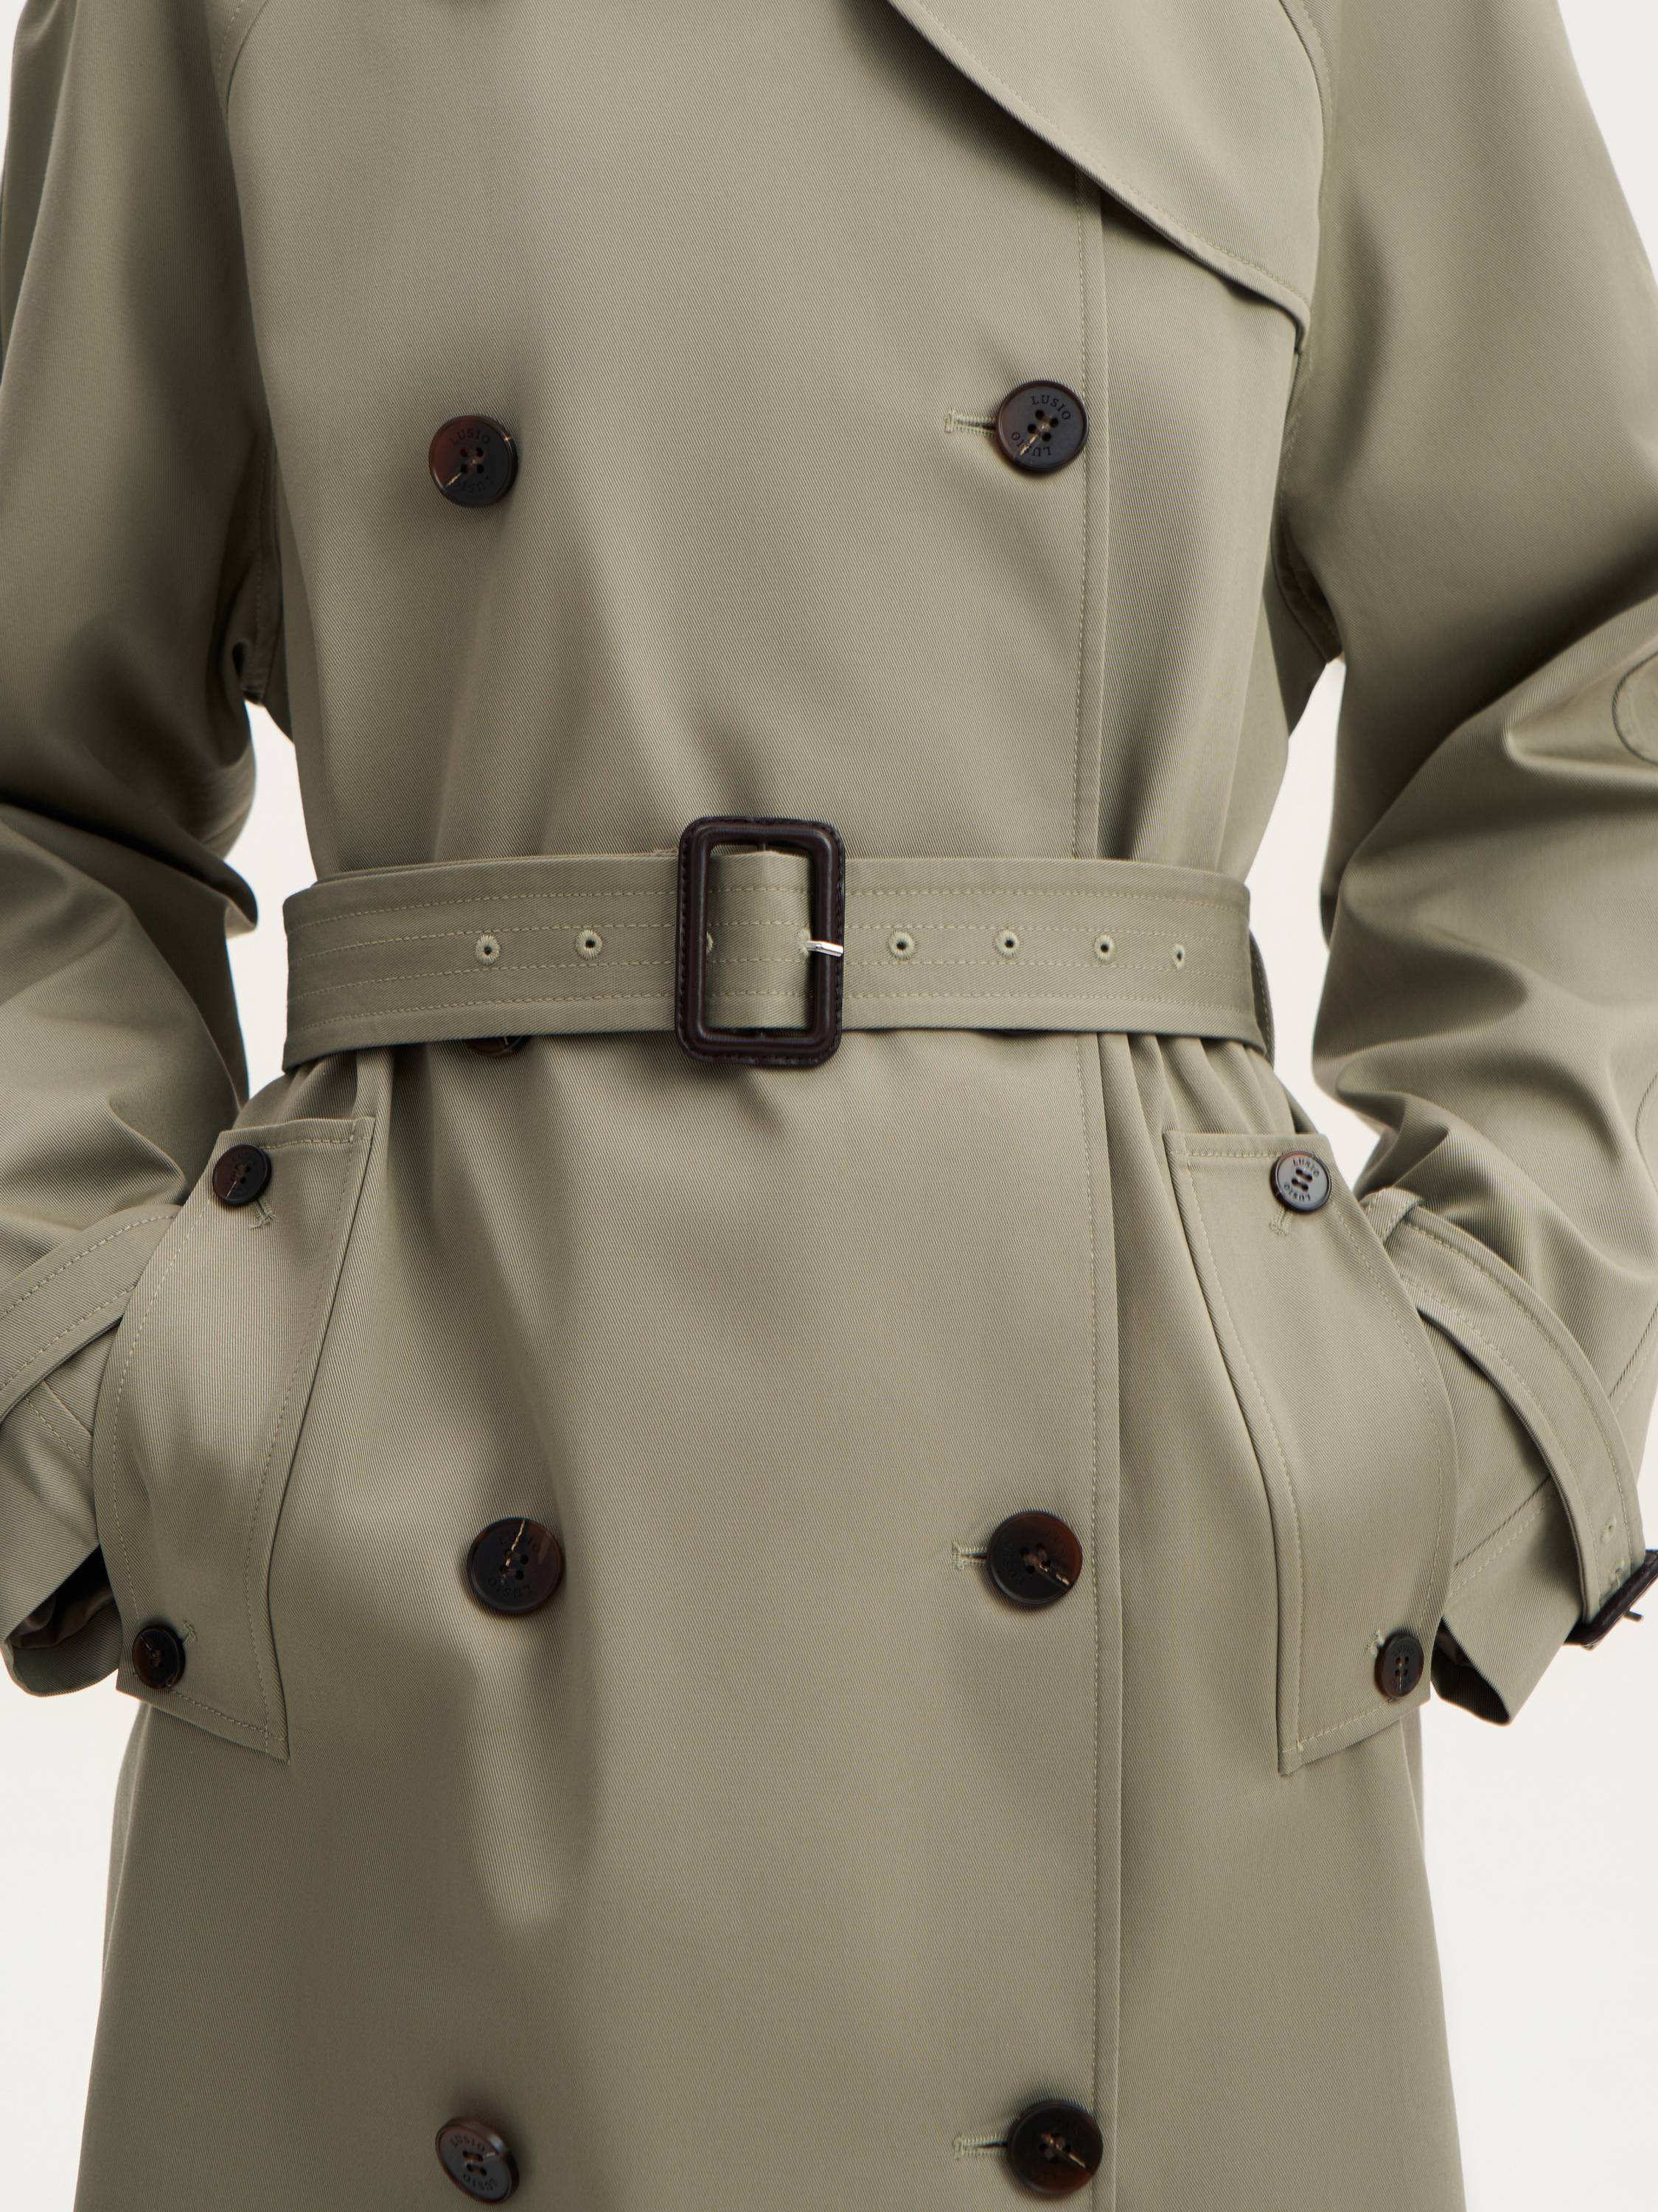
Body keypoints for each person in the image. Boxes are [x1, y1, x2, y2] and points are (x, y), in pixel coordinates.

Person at [1, 0, 1654, 2204]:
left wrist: (1495, 1372)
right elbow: (33, 783)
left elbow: (1586, 697)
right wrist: (98, 1370)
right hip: (423, 1514)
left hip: (1145, 1536)